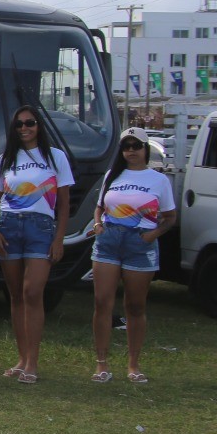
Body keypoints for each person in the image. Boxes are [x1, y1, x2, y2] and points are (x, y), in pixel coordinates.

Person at [0, 104, 74, 385]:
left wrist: (59, 238)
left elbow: (63, 204)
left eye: (30, 123)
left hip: (40, 228)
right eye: (19, 124)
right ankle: (22, 358)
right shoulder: (5, 159)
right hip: (9, 227)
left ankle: (33, 362)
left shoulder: (56, 157)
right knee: (15, 295)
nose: (25, 128)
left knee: (33, 292)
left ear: (39, 126)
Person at [89, 127, 176, 384]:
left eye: (136, 146)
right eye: (126, 146)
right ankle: (101, 364)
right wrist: (98, 227)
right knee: (102, 302)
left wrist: (152, 235)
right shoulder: (112, 175)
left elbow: (170, 217)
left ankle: (133, 364)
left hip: (140, 243)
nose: (131, 151)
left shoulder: (159, 180)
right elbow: (99, 208)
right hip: (109, 241)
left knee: (135, 306)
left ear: (145, 149)